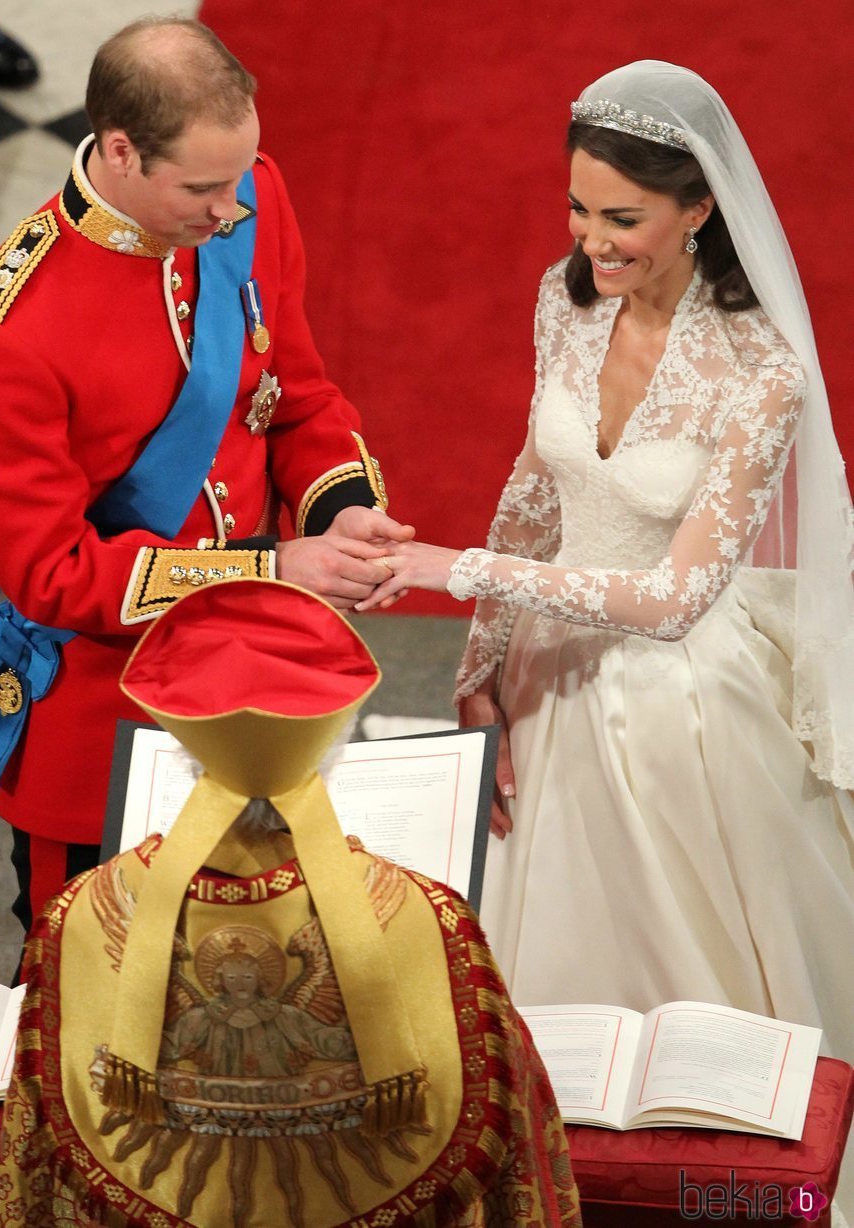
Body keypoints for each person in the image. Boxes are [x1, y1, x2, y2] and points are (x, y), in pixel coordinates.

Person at [357, 62, 854, 1067]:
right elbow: (535, 494)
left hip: (682, 714)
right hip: (549, 678)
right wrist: (479, 664)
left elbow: (674, 599)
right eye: (577, 208)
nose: (590, 240)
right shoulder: (566, 301)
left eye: (620, 217)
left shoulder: (761, 376)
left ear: (698, 209)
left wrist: (455, 569)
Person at [0, 17, 411, 943]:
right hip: (109, 723)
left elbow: (296, 398)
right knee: (95, 999)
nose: (230, 209)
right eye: (201, 187)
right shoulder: (2, 335)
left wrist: (345, 512)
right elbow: (57, 575)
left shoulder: (246, 197)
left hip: (263, 687)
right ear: (120, 150)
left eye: (239, 176)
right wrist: (272, 568)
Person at [0, 577, 582, 1227]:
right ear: (340, 739)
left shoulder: (81, 914)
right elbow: (518, 1147)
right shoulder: (425, 917)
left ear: (182, 743)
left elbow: (32, 1162)